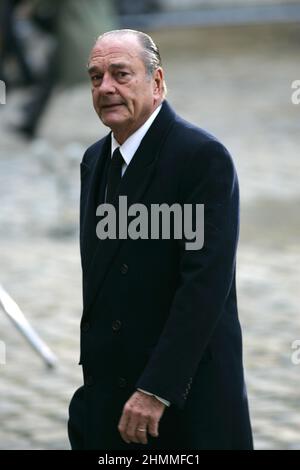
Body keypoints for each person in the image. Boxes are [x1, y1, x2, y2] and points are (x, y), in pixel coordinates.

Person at [68, 28, 253, 450]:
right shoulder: (94, 160)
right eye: (96, 78)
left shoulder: (201, 158)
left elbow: (205, 287)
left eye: (120, 74)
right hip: (108, 400)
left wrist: (157, 390)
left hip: (181, 401)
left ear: (157, 82)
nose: (106, 88)